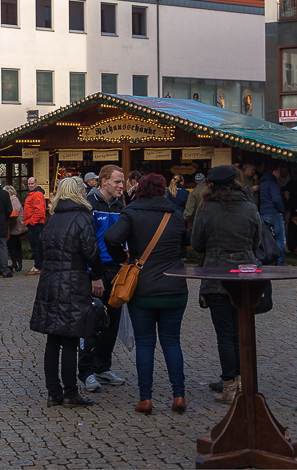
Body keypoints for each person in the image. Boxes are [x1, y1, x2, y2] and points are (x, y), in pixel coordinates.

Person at [105, 173, 189, 415]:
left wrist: (122, 258)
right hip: (174, 286)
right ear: (164, 190)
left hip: (142, 288)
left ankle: (146, 398)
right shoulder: (175, 215)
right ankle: (179, 395)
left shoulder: (131, 213)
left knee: (145, 343)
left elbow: (111, 237)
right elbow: (182, 246)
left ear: (139, 190)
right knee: (172, 341)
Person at [30, 177, 107, 407]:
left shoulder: (53, 219)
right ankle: (71, 393)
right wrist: (98, 273)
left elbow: (43, 251)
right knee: (71, 338)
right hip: (73, 281)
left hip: (50, 281)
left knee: (53, 340)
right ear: (79, 193)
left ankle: (54, 392)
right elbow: (91, 251)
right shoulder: (83, 217)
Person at [191, 165, 261, 405]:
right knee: (244, 332)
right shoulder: (249, 206)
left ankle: (230, 387)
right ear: (236, 183)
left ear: (210, 185)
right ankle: (245, 384)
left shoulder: (205, 208)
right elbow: (257, 240)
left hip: (216, 276)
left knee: (225, 334)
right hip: (246, 277)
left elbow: (197, 243)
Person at [80, 164, 128, 391]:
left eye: (123, 181)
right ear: (104, 181)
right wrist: (93, 275)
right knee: (92, 324)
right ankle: (86, 371)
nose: (122, 185)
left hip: (116, 271)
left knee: (113, 323)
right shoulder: (90, 204)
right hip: (95, 273)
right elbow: (86, 244)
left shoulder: (120, 205)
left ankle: (103, 366)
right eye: (118, 181)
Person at [259, 162, 287, 265]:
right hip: (274, 212)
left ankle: (269, 261)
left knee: (267, 239)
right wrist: (281, 210)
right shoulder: (273, 183)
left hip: (264, 212)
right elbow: (276, 199)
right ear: (275, 172)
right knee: (280, 239)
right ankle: (279, 262)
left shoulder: (262, 182)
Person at [24, 177, 47, 275]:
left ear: (36, 184)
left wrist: (32, 222)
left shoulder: (37, 194)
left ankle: (38, 266)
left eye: (32, 183)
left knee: (36, 245)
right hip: (33, 223)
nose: (30, 185)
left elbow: (39, 211)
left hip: (35, 223)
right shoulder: (32, 194)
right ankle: (38, 265)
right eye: (29, 184)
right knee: (36, 245)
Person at [4, 185, 26, 273]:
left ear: (10, 192)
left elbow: (15, 211)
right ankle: (17, 263)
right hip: (14, 227)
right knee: (17, 244)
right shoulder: (10, 199)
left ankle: (16, 262)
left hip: (18, 226)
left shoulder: (14, 199)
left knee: (11, 243)